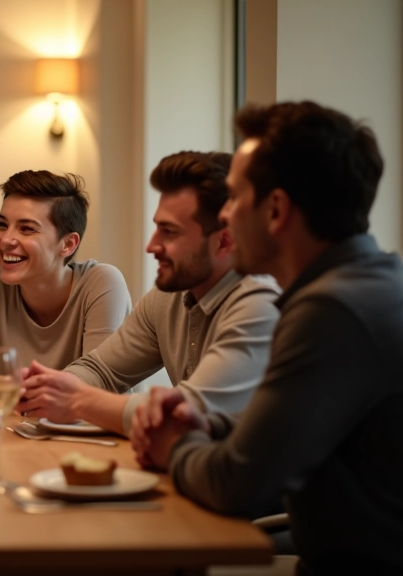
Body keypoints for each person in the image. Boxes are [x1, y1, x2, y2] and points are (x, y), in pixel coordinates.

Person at [132, 102, 403, 575]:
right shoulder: (362, 287)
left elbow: (236, 483)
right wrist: (209, 424)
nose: (227, 218)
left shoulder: (332, 311)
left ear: (276, 209)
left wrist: (171, 444)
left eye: (234, 199)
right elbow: (290, 435)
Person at [16, 151, 280, 435]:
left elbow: (187, 413)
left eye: (169, 232)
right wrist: (47, 389)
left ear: (224, 241)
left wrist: (77, 400)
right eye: (157, 228)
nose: (151, 246)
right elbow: (102, 369)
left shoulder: (262, 303)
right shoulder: (169, 296)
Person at [0, 170, 131, 375]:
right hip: (9, 407)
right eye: (2, 225)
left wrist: (6, 391)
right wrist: (3, 389)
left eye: (27, 229)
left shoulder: (102, 283)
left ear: (67, 244)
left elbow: (98, 381)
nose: (5, 240)